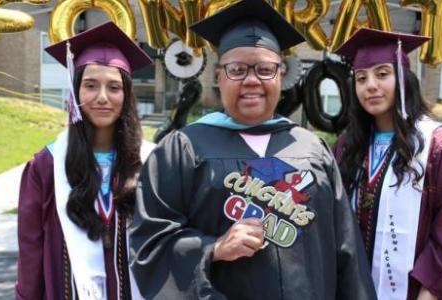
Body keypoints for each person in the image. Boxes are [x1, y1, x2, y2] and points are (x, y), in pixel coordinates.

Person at [129, 0, 376, 299]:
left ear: (280, 76)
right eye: (236, 70)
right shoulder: (182, 149)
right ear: (219, 77)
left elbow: (346, 252)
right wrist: (213, 249)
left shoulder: (313, 149)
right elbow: (150, 245)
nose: (251, 80)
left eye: (264, 69)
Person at [332, 28, 442, 300]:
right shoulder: (347, 146)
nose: (371, 85)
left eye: (382, 74)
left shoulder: (437, 145)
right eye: (361, 78)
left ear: (403, 79)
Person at [15, 21, 154, 300]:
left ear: (126, 96)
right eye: (90, 85)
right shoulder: (46, 166)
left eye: (114, 87)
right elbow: (31, 250)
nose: (102, 97)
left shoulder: (151, 162)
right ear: (75, 91)